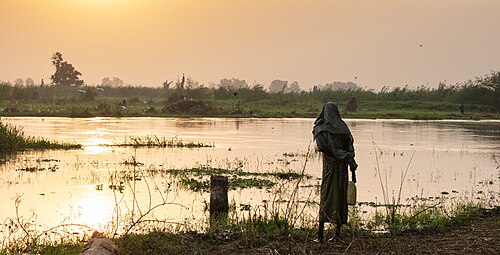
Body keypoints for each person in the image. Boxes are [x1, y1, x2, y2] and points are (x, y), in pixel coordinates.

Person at [313, 102, 358, 242]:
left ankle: (321, 236)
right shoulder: (343, 128)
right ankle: (335, 235)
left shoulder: (320, 128)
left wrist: (345, 157)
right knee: (339, 198)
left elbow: (327, 149)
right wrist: (349, 160)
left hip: (331, 168)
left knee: (327, 197)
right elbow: (349, 150)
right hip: (341, 168)